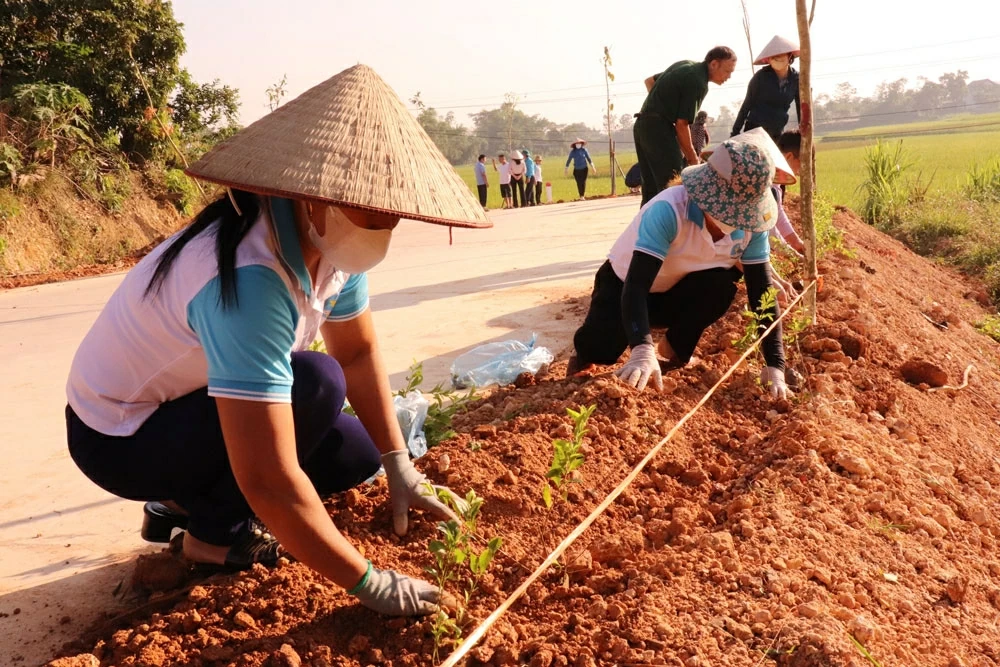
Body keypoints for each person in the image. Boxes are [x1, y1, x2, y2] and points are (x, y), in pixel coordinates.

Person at [64, 64, 492, 618]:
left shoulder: (334, 246)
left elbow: (358, 352)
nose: (380, 226)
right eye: (368, 208)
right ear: (312, 194)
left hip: (186, 413)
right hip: (120, 437)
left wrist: (398, 464)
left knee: (356, 451)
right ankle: (211, 538)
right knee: (315, 383)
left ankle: (185, 502)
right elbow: (269, 477)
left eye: (390, 214)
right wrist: (369, 583)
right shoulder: (247, 275)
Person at [567, 130, 794, 400]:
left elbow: (762, 295)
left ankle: (674, 351)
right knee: (600, 349)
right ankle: (586, 357)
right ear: (709, 194)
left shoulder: (752, 227)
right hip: (623, 287)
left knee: (721, 286)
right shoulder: (669, 211)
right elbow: (636, 285)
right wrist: (641, 349)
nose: (737, 219)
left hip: (676, 290)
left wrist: (775, 366)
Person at [634, 46, 738, 207]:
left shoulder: (686, 65)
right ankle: (673, 229)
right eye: (727, 71)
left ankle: (643, 229)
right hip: (658, 130)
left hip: (642, 125)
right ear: (714, 64)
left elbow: (650, 81)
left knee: (652, 189)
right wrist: (693, 160)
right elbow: (682, 125)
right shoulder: (698, 82)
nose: (729, 76)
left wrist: (662, 107)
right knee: (674, 185)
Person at [731, 35, 801, 141]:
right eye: (774, 57)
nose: (777, 59)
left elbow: (801, 106)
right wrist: (735, 132)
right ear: (769, 60)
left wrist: (803, 129)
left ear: (789, 56)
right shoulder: (760, 77)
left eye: (781, 55)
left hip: (777, 131)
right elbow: (746, 105)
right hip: (755, 130)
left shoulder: (796, 79)